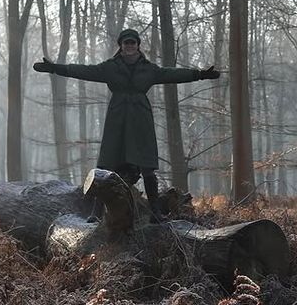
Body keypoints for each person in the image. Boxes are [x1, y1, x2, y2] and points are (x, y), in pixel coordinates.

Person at [33, 28, 220, 216]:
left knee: (147, 166)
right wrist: (55, 68)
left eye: (132, 43)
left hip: (141, 119)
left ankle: (155, 210)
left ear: (138, 45)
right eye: (126, 43)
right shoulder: (110, 67)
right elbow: (84, 71)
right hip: (117, 119)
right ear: (121, 46)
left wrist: (200, 74)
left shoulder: (149, 69)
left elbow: (172, 74)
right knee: (106, 166)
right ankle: (96, 212)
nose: (129, 46)